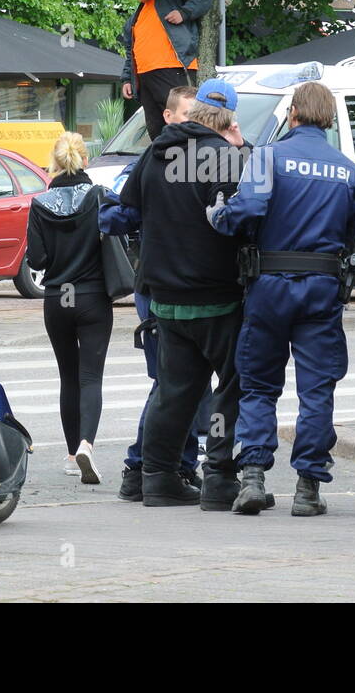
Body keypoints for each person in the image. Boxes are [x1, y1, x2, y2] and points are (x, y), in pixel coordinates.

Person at [208, 81, 355, 516]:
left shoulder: (266, 157)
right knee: (317, 389)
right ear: (330, 119)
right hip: (322, 288)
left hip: (269, 285)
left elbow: (247, 212)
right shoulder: (351, 171)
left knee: (259, 385)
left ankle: (254, 477)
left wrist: (219, 216)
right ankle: (308, 488)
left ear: (293, 113)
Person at [117, 78, 246, 507]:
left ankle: (157, 478)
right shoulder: (224, 157)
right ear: (226, 117)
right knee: (229, 387)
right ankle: (219, 480)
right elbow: (235, 222)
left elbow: (127, 208)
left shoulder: (155, 153)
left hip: (164, 296)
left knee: (175, 390)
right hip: (216, 295)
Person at [100, 87, 209, 501]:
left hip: (179, 280)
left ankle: (175, 465)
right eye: (186, 115)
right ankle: (140, 467)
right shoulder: (150, 161)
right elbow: (115, 215)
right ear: (167, 116)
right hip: (160, 283)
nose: (193, 122)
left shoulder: (203, 158)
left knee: (187, 383)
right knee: (171, 381)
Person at [26, 132, 113, 484]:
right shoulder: (98, 197)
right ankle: (86, 446)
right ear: (85, 161)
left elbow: (38, 257)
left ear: (55, 163)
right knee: (91, 376)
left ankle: (67, 453)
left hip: (57, 299)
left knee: (68, 376)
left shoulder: (40, 203)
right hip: (92, 296)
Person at [119, 0, 212, 139]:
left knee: (181, 122)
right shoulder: (134, 19)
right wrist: (127, 78)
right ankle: (163, 161)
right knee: (155, 128)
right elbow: (130, 52)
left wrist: (184, 13)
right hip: (144, 77)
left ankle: (189, 160)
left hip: (172, 69)